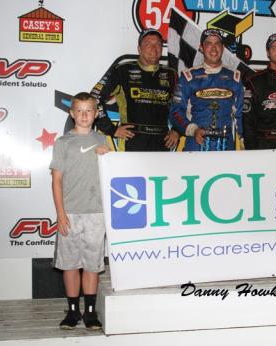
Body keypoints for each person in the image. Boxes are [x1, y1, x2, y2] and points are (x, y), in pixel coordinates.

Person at [50, 92, 110, 330]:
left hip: (97, 213)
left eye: (89, 111)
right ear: (72, 113)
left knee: (92, 264)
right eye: (80, 111)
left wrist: (108, 156)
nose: (84, 115)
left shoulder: (103, 140)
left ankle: (91, 312)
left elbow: (112, 174)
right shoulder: (63, 142)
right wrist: (61, 214)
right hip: (71, 214)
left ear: (96, 114)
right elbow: (56, 181)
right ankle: (73, 311)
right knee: (70, 264)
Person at [91, 28, 179, 151]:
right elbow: (94, 98)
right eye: (148, 44)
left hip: (162, 141)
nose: (154, 48)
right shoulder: (122, 70)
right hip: (131, 140)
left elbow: (182, 106)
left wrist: (176, 129)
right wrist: (111, 129)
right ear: (139, 49)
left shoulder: (171, 74)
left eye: (158, 44)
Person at [169, 29, 243, 151]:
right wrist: (193, 130)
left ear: (223, 48)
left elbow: (240, 116)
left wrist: (243, 141)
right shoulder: (188, 77)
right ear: (201, 48)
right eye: (209, 43)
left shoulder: (234, 77)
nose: (213, 48)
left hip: (226, 147)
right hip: (196, 144)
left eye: (217, 43)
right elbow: (176, 112)